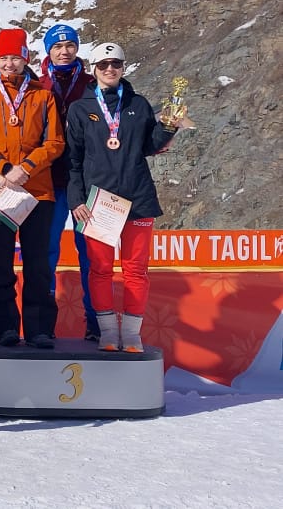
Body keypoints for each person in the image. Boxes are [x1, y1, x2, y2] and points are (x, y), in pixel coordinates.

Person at [66, 42, 179, 353]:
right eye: (103, 65)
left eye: (115, 63)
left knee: (136, 270)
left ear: (123, 67)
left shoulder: (138, 104)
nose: (110, 69)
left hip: (137, 198)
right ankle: (106, 333)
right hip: (99, 201)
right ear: (93, 69)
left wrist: (168, 126)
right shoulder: (80, 109)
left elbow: (148, 145)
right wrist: (76, 200)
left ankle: (131, 334)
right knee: (100, 269)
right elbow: (72, 160)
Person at [0, 28, 64, 348]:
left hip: (37, 190)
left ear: (26, 59)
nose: (10, 64)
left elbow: (55, 142)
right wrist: (6, 167)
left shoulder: (43, 95)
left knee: (37, 262)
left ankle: (39, 328)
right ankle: (4, 326)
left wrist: (28, 167)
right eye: (4, 58)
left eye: (16, 57)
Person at [38, 24, 99, 341]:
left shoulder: (92, 84)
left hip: (86, 184)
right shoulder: (36, 84)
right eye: (57, 46)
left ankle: (95, 323)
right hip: (47, 181)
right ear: (48, 50)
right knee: (45, 253)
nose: (64, 51)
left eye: (70, 45)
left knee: (90, 253)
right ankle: (43, 325)